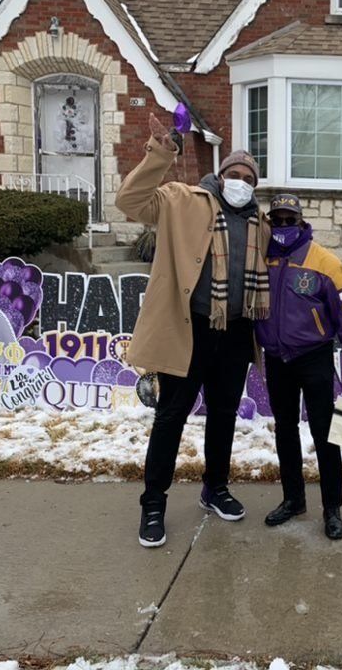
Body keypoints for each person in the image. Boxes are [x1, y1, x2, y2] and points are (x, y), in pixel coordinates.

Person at [116, 113, 270, 548]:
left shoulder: (261, 222)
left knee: (222, 416)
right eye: (233, 174)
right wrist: (161, 153)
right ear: (219, 177)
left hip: (237, 332)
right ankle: (153, 505)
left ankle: (214, 488)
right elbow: (130, 201)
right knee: (170, 418)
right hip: (190, 330)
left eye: (248, 177)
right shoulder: (183, 200)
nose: (240, 181)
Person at [255, 194, 342, 540]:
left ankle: (332, 508)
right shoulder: (261, 261)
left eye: (291, 220)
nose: (284, 227)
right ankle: (293, 499)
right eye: (278, 220)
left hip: (314, 358)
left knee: (325, 434)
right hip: (277, 360)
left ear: (302, 222)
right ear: (270, 223)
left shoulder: (325, 263)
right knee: (285, 432)